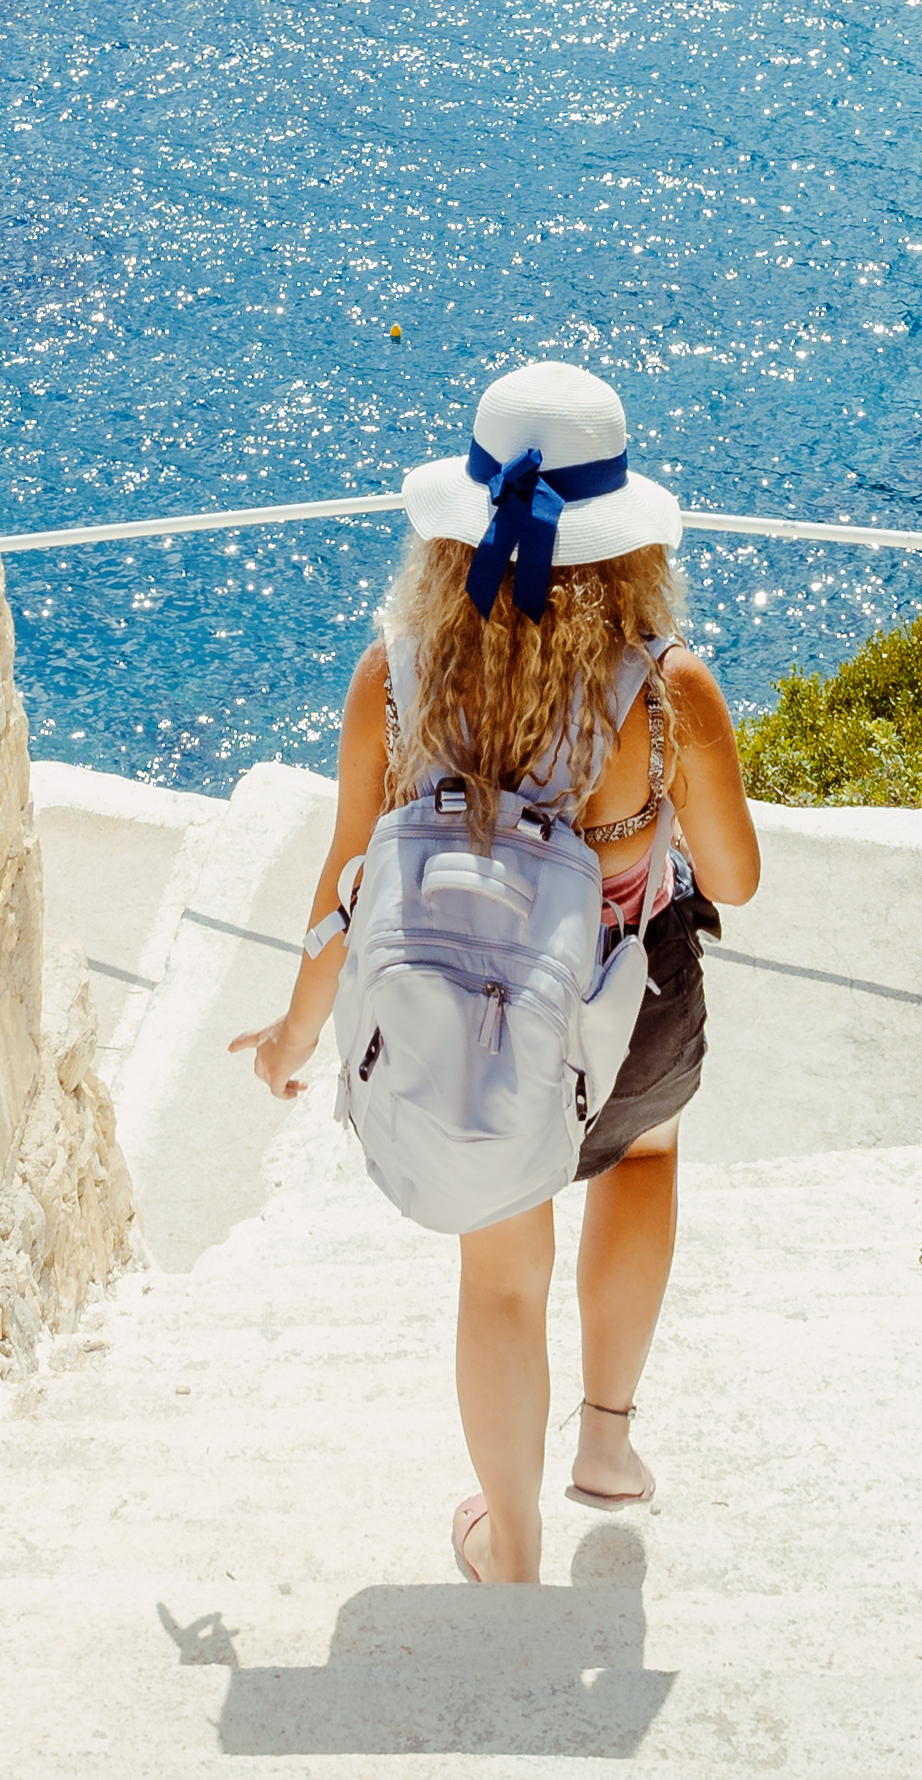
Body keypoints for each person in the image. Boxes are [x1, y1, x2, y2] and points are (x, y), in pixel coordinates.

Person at [233, 355, 762, 1582]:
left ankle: (509, 1543)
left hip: (478, 1036)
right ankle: (608, 1446)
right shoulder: (668, 689)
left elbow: (345, 885)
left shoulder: (397, 674)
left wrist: (294, 1033)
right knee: (642, 1152)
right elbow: (730, 881)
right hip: (629, 1012)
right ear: (626, 540)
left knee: (500, 1277)